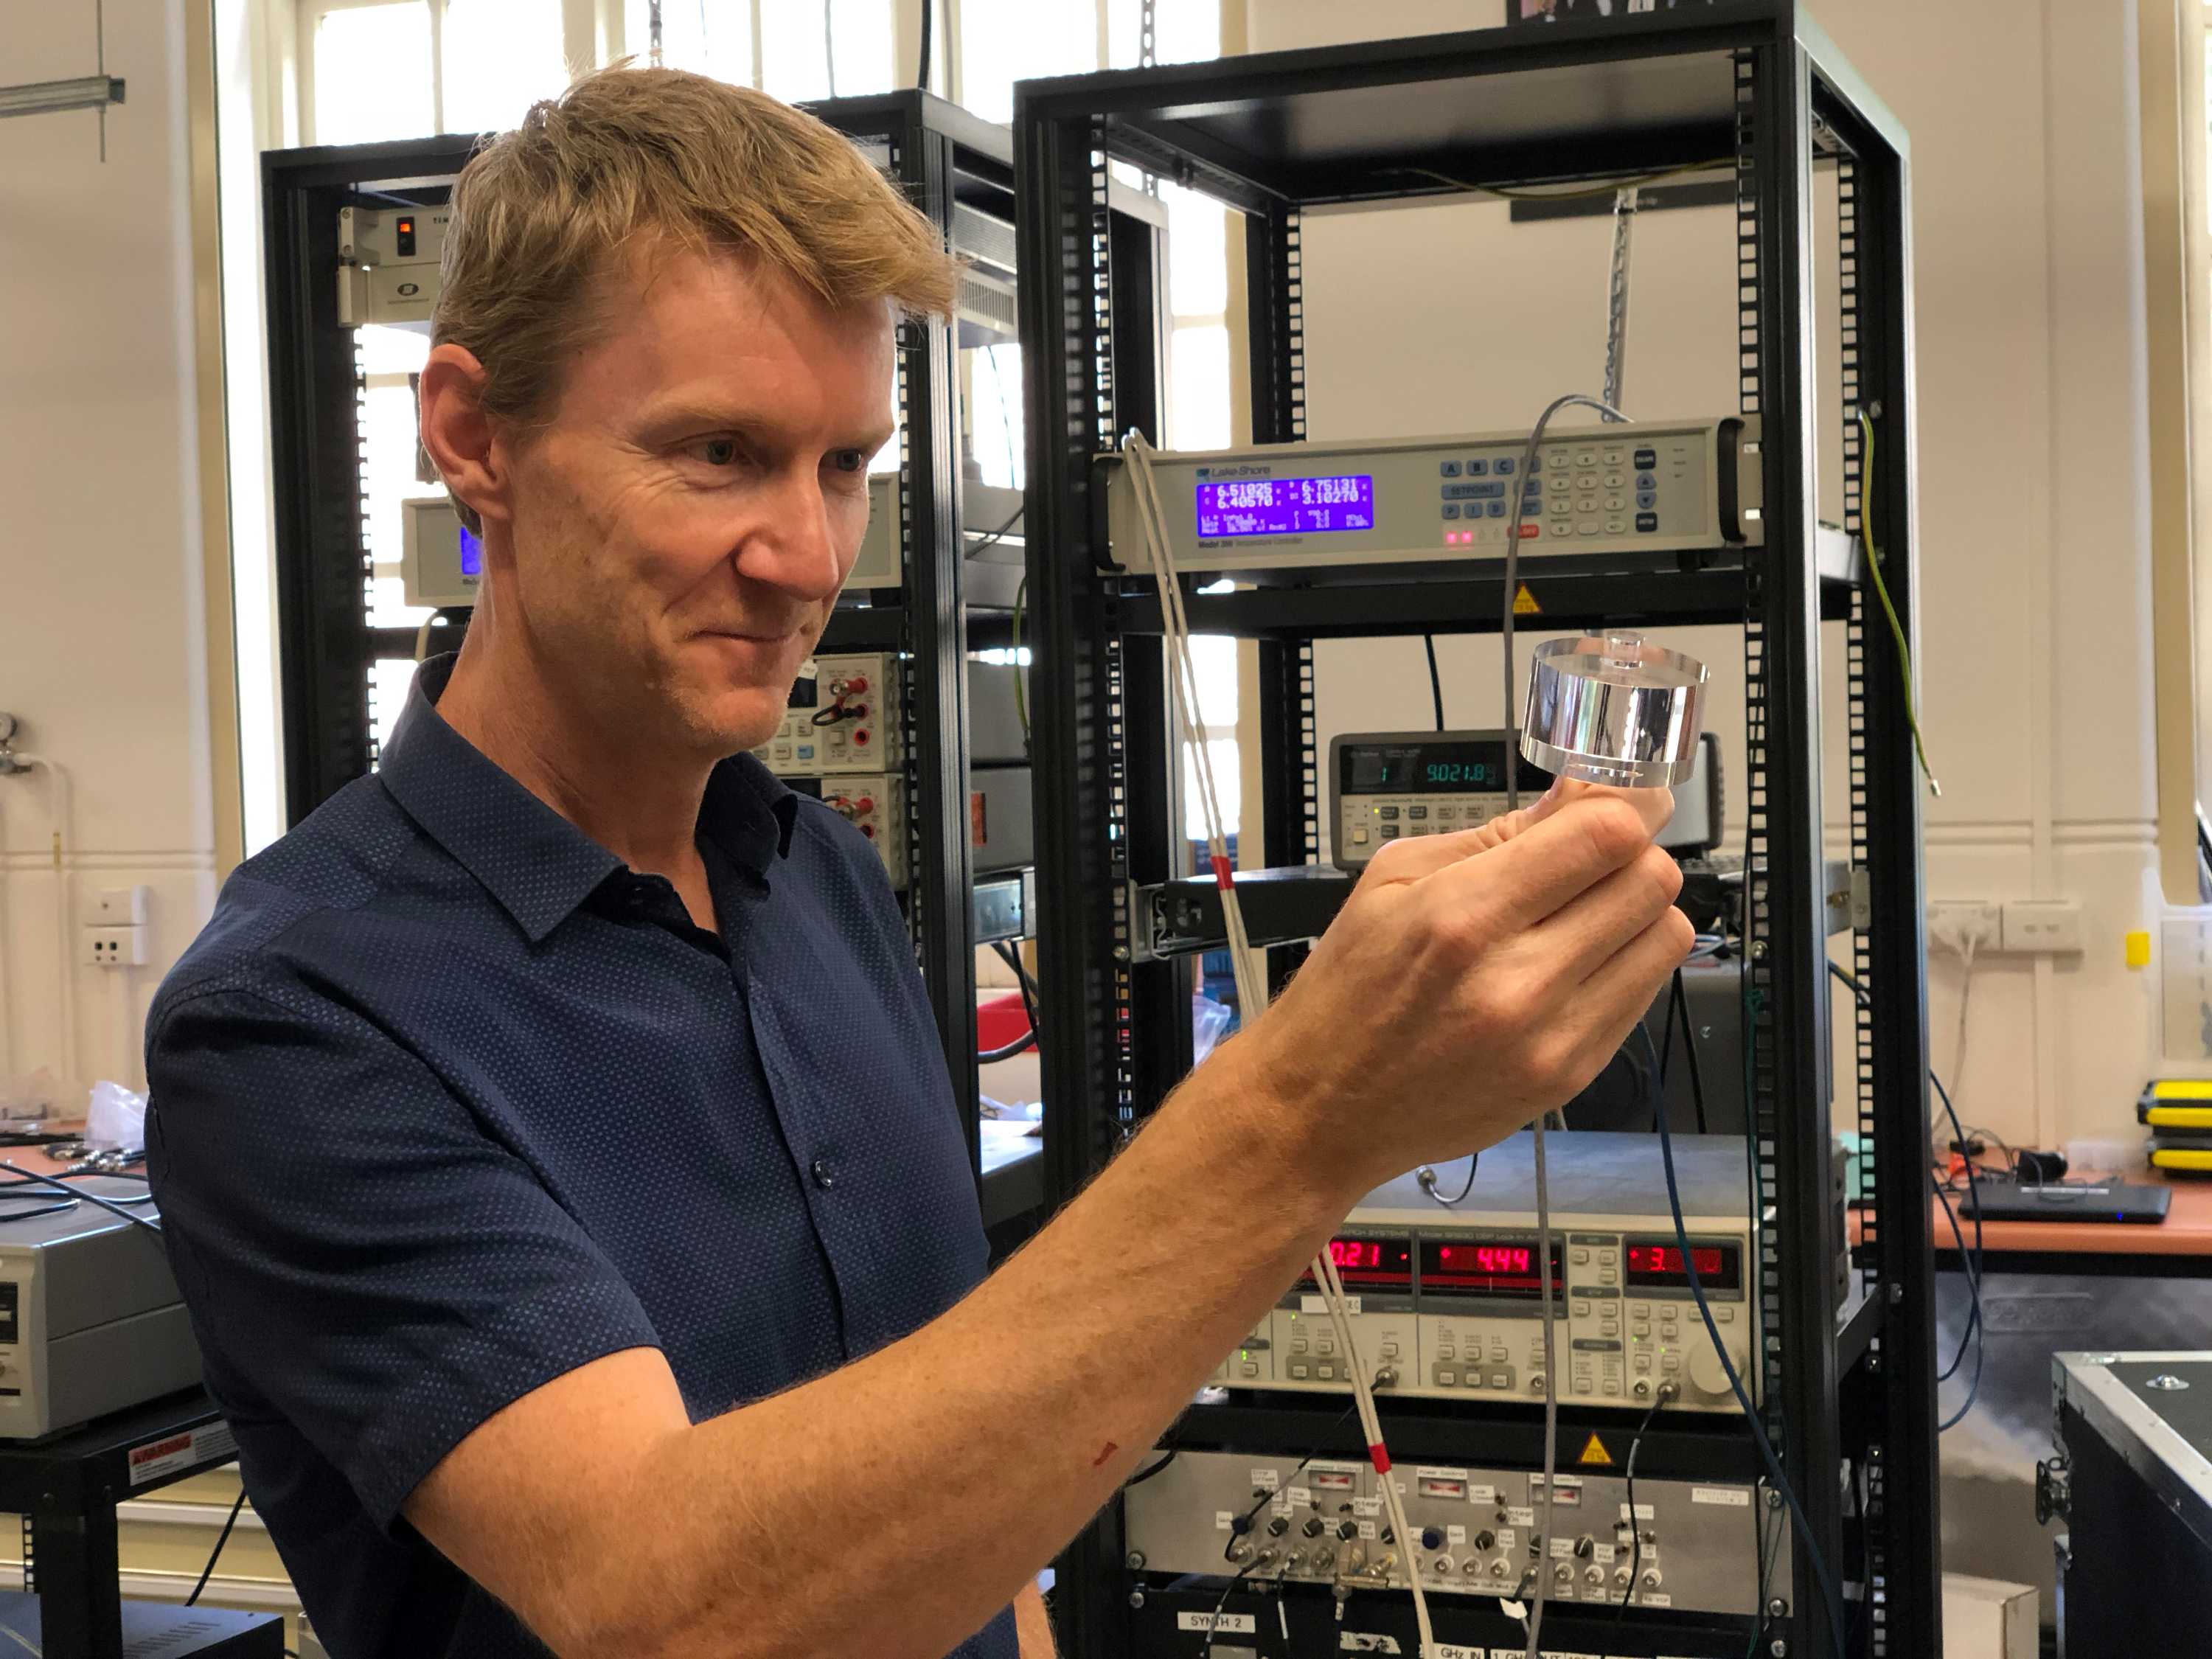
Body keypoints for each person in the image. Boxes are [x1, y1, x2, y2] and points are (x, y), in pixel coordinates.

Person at [145, 66, 1694, 1659]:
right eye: (718, 455)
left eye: (843, 467)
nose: (810, 559)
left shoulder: (806, 872)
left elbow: (960, 1471)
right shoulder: (301, 1019)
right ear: (476, 439)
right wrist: (1303, 1115)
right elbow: (663, 1603)